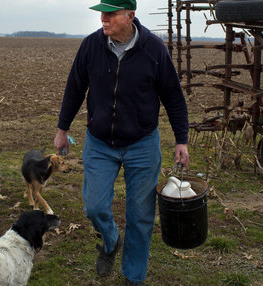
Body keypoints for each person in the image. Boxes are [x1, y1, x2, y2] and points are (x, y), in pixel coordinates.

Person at [53, 0, 189, 285]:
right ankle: (111, 240)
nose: (103, 18)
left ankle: (133, 277)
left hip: (142, 143)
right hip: (100, 142)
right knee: (93, 206)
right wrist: (62, 128)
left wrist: (181, 140)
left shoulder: (154, 50)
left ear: (130, 16)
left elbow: (174, 97)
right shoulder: (92, 46)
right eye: (102, 13)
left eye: (110, 13)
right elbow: (75, 87)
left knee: (140, 216)